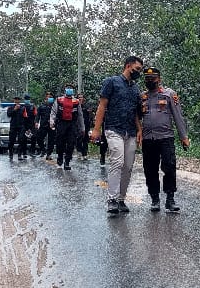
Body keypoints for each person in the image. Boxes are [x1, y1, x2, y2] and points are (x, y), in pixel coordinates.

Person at [90, 56, 144, 216]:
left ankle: (121, 199)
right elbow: (102, 106)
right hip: (113, 129)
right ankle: (112, 199)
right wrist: (96, 129)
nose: (138, 73)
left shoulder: (135, 89)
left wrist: (139, 129)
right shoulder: (111, 82)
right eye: (137, 69)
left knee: (128, 166)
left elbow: (135, 113)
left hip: (131, 131)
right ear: (128, 66)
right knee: (117, 162)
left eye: (140, 70)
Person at [139, 66, 190, 212]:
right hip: (148, 139)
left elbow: (178, 116)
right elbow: (137, 117)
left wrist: (183, 137)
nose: (150, 81)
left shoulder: (169, 94)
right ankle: (155, 199)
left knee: (169, 167)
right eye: (147, 79)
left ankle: (170, 199)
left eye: (153, 79)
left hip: (166, 138)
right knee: (150, 169)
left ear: (159, 79)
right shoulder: (142, 97)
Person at [50, 87, 86, 170]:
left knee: (71, 143)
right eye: (68, 88)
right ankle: (60, 158)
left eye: (71, 89)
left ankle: (67, 162)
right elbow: (53, 112)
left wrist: (82, 128)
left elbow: (80, 115)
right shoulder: (59, 100)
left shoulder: (76, 101)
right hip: (61, 123)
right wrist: (52, 121)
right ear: (65, 91)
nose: (69, 90)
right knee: (60, 142)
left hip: (72, 124)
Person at [7, 95, 35, 161]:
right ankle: (11, 154)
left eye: (18, 100)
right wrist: (14, 109)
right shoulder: (10, 107)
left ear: (19, 101)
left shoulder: (23, 108)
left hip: (21, 126)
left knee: (21, 140)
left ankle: (19, 155)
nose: (17, 101)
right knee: (11, 141)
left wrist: (28, 127)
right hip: (13, 126)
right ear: (14, 100)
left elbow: (26, 118)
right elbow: (8, 115)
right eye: (15, 99)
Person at [35, 91, 56, 159]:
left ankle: (49, 154)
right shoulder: (42, 106)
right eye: (48, 96)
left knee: (51, 140)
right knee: (39, 138)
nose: (49, 97)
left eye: (51, 97)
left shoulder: (55, 106)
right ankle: (43, 150)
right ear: (45, 97)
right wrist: (36, 122)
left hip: (52, 125)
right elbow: (38, 115)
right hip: (43, 125)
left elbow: (58, 115)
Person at [75, 94, 92, 159]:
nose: (80, 98)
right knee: (78, 139)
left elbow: (90, 114)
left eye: (81, 97)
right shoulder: (75, 106)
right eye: (79, 97)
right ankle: (79, 151)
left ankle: (85, 153)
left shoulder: (86, 106)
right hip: (78, 125)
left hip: (86, 125)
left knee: (85, 139)